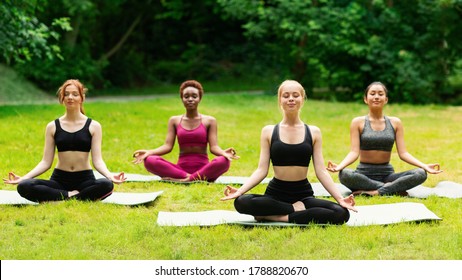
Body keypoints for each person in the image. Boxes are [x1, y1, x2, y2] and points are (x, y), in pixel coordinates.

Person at [221, 80, 356, 225]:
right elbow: (261, 170)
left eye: (295, 95)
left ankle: (276, 216)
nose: (291, 98)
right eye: (286, 96)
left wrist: (340, 199)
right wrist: (240, 191)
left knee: (341, 213)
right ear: (280, 100)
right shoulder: (269, 131)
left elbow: (321, 171)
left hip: (303, 196)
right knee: (241, 202)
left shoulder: (313, 132)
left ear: (302, 100)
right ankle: (292, 209)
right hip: (276, 194)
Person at [3, 79, 126, 202]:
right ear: (62, 98)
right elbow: (46, 162)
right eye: (66, 94)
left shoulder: (94, 126)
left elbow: (97, 161)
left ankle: (61, 197)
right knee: (24, 186)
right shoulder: (52, 126)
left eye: (74, 94)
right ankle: (73, 196)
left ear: (82, 98)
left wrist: (110, 176)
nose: (70, 97)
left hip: (85, 179)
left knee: (106, 185)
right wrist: (24, 178)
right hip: (59, 180)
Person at [327, 81, 442, 196]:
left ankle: (376, 192)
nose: (376, 97)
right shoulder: (358, 122)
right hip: (363, 174)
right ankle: (393, 189)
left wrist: (424, 166)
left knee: (421, 173)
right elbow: (354, 152)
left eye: (380, 94)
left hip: (388, 175)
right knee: (344, 174)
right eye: (372, 94)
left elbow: (403, 153)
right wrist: (340, 166)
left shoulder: (395, 122)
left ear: (386, 100)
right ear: (366, 99)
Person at [132, 80, 239, 182]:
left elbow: (214, 147)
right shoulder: (174, 120)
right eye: (186, 96)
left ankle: (188, 180)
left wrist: (223, 153)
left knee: (224, 161)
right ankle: (192, 178)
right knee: (150, 160)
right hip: (180, 170)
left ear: (199, 98)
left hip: (205, 168)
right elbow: (167, 146)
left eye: (194, 96)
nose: (190, 99)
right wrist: (149, 152)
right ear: (182, 99)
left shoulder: (210, 121)